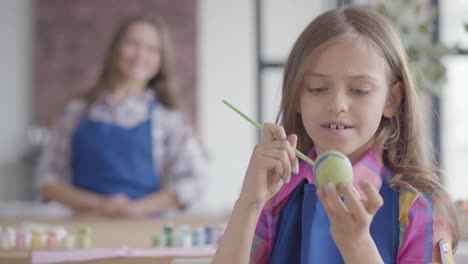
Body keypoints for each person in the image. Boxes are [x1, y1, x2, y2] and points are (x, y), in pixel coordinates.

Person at [213, 6, 459, 264]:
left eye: (360, 90)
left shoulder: (418, 208)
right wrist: (249, 203)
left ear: (392, 99)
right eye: (318, 89)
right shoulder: (275, 195)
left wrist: (357, 246)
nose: (337, 104)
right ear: (297, 96)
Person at [36, 15, 206, 218]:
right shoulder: (76, 111)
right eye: (132, 44)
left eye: (152, 49)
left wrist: (138, 208)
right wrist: (99, 204)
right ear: (115, 49)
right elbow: (45, 180)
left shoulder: (169, 118)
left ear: (161, 61)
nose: (140, 55)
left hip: (144, 232)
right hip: (84, 231)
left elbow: (196, 180)